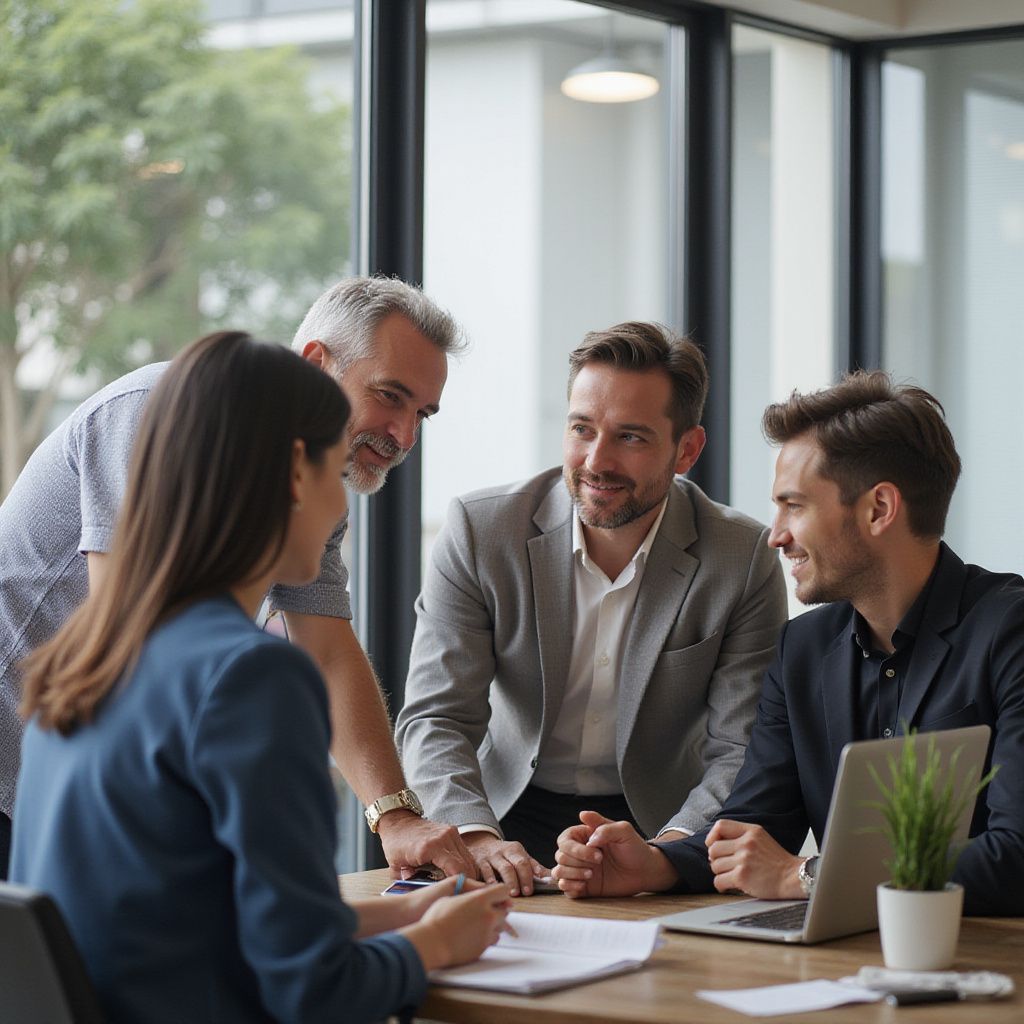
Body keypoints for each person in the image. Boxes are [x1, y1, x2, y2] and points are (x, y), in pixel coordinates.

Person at [9, 332, 510, 1024]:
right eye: (338, 475)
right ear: (296, 474)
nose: (341, 511)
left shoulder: (74, 666)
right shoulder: (252, 678)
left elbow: (180, 928)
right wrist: (431, 947)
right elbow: (311, 993)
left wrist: (390, 922)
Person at [0, 276, 475, 880]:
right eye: (390, 395)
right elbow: (137, 649)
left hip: (63, 775)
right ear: (316, 361)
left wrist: (396, 816)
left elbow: (326, 649)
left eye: (421, 415)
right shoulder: (160, 413)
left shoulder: (309, 489)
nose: (405, 435)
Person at [551, 371, 1024, 917]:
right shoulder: (803, 648)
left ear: (879, 509)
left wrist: (806, 874)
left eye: (794, 506)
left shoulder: (1008, 632)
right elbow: (755, 825)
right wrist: (655, 863)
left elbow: (1015, 856)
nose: (775, 534)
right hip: (848, 958)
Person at [395, 322, 787, 895]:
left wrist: (670, 854)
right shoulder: (481, 531)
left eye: (630, 437)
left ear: (687, 449)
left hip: (660, 823)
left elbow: (739, 747)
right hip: (500, 817)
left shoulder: (742, 557)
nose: (596, 461)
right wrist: (474, 835)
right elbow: (437, 717)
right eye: (582, 429)